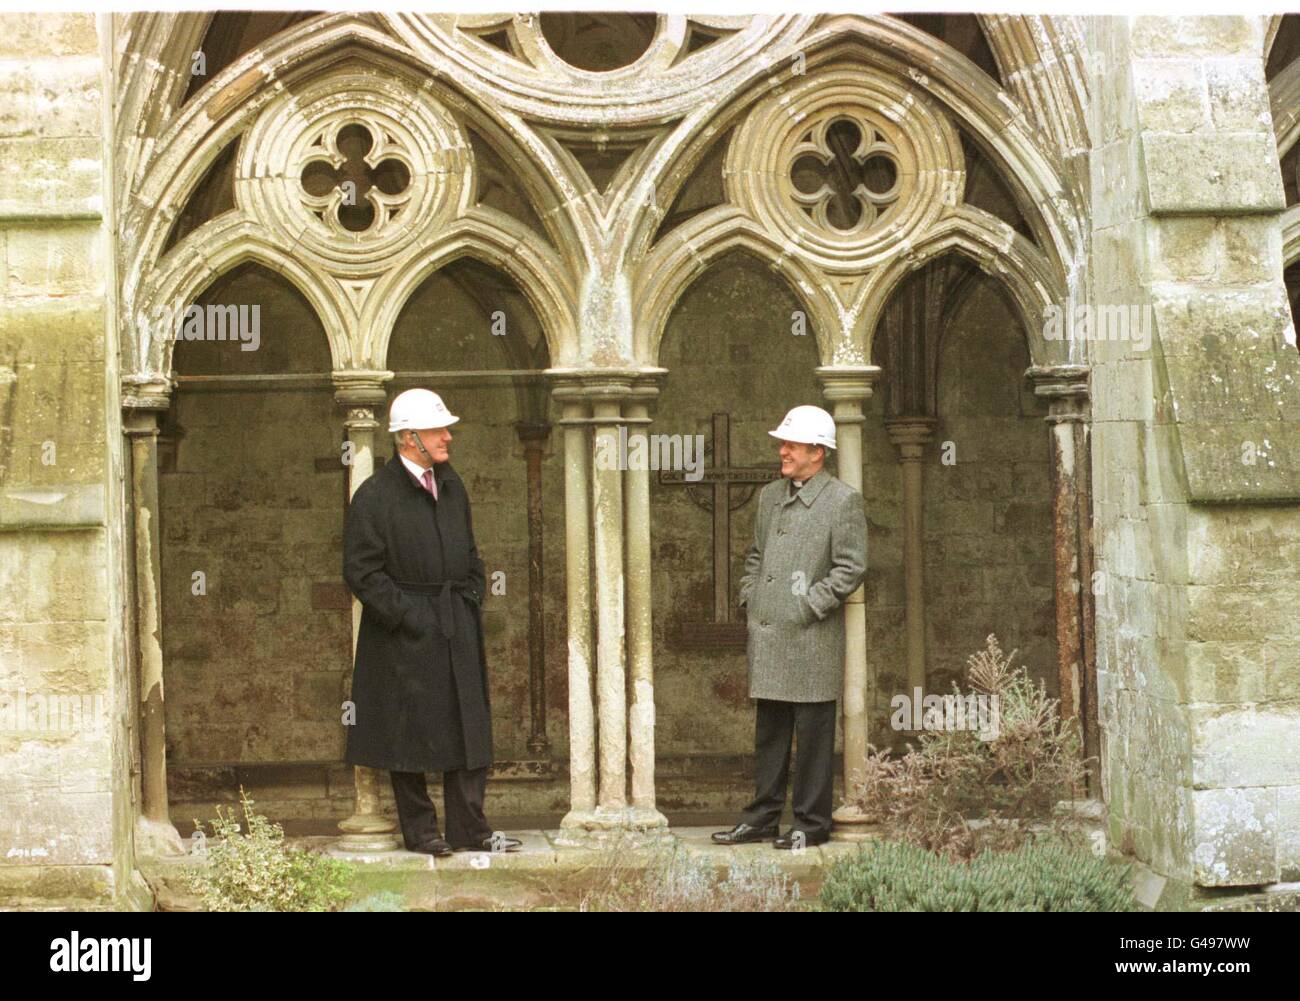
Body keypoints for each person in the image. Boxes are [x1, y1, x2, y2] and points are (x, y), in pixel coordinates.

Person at [342, 388, 520, 856]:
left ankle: (470, 829)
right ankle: (421, 833)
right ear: (409, 439)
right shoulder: (375, 496)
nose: (448, 437)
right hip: (406, 631)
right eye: (438, 430)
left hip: (455, 618)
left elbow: (470, 548)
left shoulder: (451, 483)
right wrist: (408, 614)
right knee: (410, 731)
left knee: (467, 722)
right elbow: (361, 572)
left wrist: (473, 591)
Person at [712, 405, 867, 849]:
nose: (783, 451)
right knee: (770, 734)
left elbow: (851, 567)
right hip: (769, 634)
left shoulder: (842, 501)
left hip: (811, 638)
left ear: (818, 452)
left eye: (791, 445)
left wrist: (807, 606)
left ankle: (810, 824)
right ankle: (762, 818)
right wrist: (752, 594)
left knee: (814, 737)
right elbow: (757, 555)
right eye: (783, 444)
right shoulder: (769, 496)